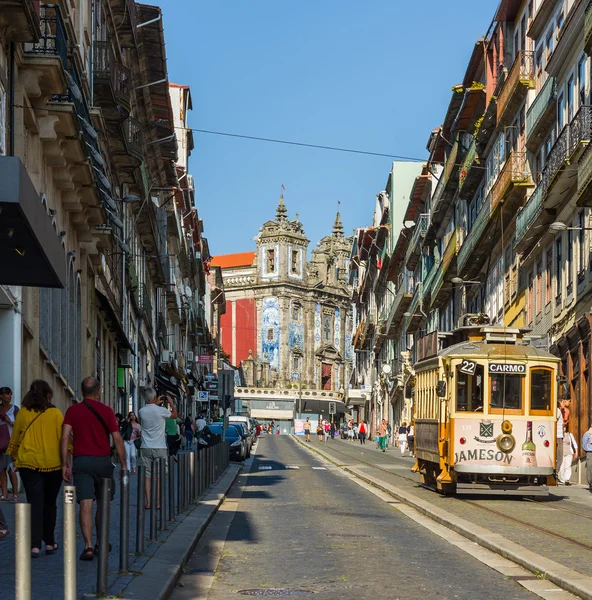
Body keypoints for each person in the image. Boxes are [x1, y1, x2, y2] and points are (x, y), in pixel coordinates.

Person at [61, 377, 126, 562]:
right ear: (99, 391)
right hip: (103, 463)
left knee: (85, 504)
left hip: (81, 463)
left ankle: (88, 546)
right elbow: (117, 438)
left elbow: (64, 437)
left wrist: (65, 464)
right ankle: (101, 542)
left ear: (82, 391)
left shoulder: (72, 411)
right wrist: (123, 465)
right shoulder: (106, 411)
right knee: (103, 503)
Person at [8, 381, 64, 557]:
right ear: (48, 395)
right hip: (53, 464)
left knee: (35, 504)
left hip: (29, 464)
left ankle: (34, 545)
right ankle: (49, 542)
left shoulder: (23, 413)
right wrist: (68, 459)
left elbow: (15, 438)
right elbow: (64, 440)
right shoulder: (55, 413)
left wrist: (15, 458)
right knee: (50, 504)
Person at [139, 390, 177, 510]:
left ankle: (149, 502)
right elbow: (175, 415)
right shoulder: (162, 411)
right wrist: (171, 403)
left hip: (145, 447)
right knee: (159, 476)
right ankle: (158, 502)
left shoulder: (141, 411)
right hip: (160, 447)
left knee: (147, 476)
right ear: (155, 397)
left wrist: (155, 402)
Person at [0, 386, 20, 502]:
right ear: (1, 396)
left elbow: (18, 426)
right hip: (0, 442)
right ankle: (4, 494)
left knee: (11, 468)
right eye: (7, 394)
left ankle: (16, 494)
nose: (10, 396)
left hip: (11, 442)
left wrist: (8, 421)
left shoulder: (15, 409)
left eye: (10, 394)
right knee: (1, 469)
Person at [582, 424, 592, 493]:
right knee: (590, 468)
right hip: (590, 453)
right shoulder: (587, 434)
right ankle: (591, 484)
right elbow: (584, 445)